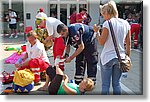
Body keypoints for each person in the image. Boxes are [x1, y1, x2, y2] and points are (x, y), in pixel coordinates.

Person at [93, 1, 131, 95]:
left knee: (105, 85)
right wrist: (127, 57)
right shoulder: (126, 23)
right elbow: (128, 43)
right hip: (120, 58)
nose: (103, 17)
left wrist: (96, 32)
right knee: (116, 84)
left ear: (107, 13)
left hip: (107, 57)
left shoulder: (107, 24)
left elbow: (101, 42)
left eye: (103, 14)